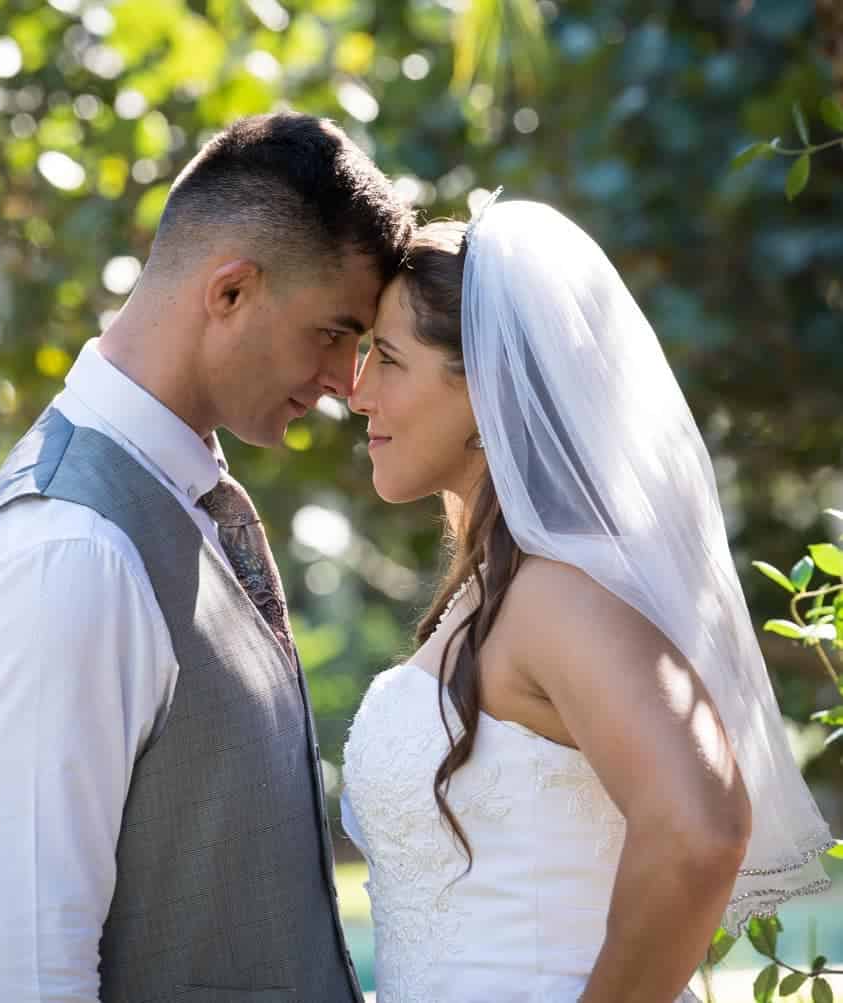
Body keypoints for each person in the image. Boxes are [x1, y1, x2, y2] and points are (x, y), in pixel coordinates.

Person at [0, 111, 413, 1002]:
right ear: (229, 292)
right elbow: (21, 978)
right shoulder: (64, 553)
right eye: (333, 333)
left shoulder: (184, 502)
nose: (348, 382)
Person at [342, 199, 834, 1003]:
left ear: (485, 389)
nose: (358, 395)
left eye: (387, 360)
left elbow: (699, 829)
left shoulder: (559, 593)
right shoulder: (496, 593)